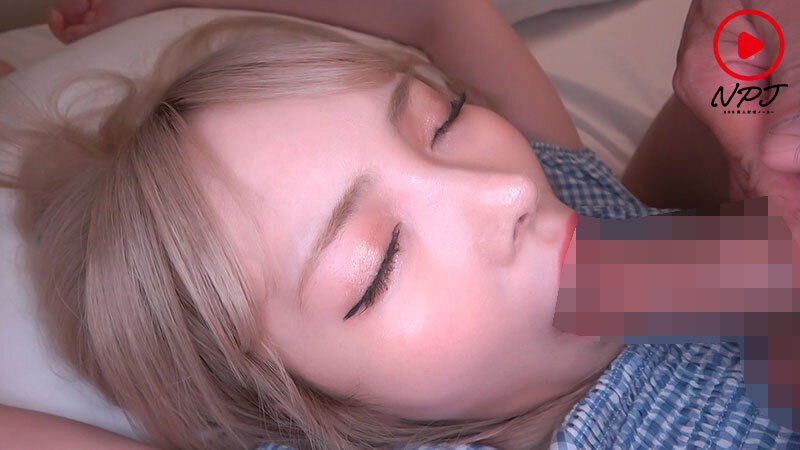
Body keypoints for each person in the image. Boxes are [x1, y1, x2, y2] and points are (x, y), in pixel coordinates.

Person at [0, 0, 796, 449]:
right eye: (379, 262)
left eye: (443, 122)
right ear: (293, 405)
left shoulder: (565, 199)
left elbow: (440, 14)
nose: (502, 193)